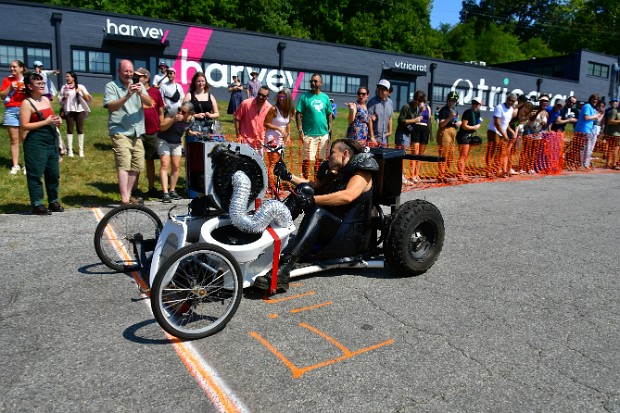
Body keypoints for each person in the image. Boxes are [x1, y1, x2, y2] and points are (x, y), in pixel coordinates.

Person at [253, 138, 379, 293]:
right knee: (301, 192)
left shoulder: (362, 171)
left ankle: (282, 272)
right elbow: (312, 186)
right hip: (332, 229)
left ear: (345, 153)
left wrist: (312, 200)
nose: (328, 157)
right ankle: (261, 238)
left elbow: (348, 196)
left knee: (317, 210)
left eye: (332, 153)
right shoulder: (337, 170)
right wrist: (288, 176)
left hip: (349, 236)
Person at [104, 59, 153, 205]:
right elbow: (111, 106)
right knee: (124, 163)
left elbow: (150, 102)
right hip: (119, 130)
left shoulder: (138, 85)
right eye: (125, 71)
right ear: (119, 72)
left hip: (136, 131)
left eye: (130, 71)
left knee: (137, 165)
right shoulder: (111, 86)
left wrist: (140, 93)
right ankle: (125, 198)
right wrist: (127, 96)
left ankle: (128, 194)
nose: (128, 74)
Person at [19, 73, 64, 215]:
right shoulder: (27, 103)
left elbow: (50, 117)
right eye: (38, 84)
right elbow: (24, 125)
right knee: (36, 174)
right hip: (35, 143)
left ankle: (53, 201)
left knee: (53, 173)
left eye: (42, 83)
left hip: (50, 141)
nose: (42, 85)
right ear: (29, 86)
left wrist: (57, 120)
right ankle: (37, 204)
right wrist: (45, 122)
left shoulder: (46, 99)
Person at [295, 73, 333, 179]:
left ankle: (317, 180)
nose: (312, 83)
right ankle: (305, 181)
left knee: (321, 160)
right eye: (311, 81)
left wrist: (330, 127)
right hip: (309, 134)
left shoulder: (325, 97)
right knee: (307, 160)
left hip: (323, 134)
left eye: (315, 81)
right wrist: (300, 130)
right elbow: (298, 113)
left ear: (321, 83)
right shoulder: (304, 97)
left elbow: (329, 113)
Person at [157, 101, 196, 203]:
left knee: (176, 166)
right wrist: (174, 119)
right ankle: (165, 193)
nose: (180, 112)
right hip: (163, 140)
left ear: (190, 114)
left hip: (176, 142)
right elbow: (162, 127)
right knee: (165, 164)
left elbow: (187, 129)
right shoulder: (173, 112)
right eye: (180, 109)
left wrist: (192, 132)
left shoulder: (191, 120)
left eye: (183, 112)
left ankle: (172, 190)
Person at [135, 67, 164, 199]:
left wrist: (161, 126)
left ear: (146, 78)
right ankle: (134, 189)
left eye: (139, 76)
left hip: (153, 130)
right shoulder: (133, 90)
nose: (136, 78)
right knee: (137, 161)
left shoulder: (155, 92)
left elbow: (160, 110)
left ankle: (151, 187)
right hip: (138, 130)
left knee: (150, 160)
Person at [264, 88, 295, 197]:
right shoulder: (274, 109)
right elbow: (266, 123)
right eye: (279, 96)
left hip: (281, 138)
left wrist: (288, 135)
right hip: (272, 138)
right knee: (272, 163)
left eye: (283, 97)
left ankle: (273, 187)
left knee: (277, 163)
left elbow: (288, 123)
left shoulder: (288, 110)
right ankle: (271, 188)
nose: (281, 99)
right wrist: (279, 129)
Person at [397, 90, 431, 183]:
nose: (416, 102)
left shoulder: (417, 108)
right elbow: (400, 120)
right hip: (402, 133)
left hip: (408, 133)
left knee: (407, 154)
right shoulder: (407, 107)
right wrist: (415, 120)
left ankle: (407, 175)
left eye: (419, 101)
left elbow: (427, 120)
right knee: (403, 154)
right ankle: (401, 176)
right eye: (415, 99)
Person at [1, 59, 28, 174]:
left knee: (25, 139)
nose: (12, 69)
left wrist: (26, 89)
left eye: (14, 67)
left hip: (24, 109)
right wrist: (10, 88)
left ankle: (27, 165)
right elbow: (2, 96)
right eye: (11, 67)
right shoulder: (7, 80)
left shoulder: (27, 80)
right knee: (14, 139)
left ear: (21, 68)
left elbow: (35, 93)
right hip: (11, 110)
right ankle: (15, 165)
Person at [59, 71, 92, 158]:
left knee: (80, 129)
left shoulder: (81, 86)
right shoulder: (64, 87)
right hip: (69, 110)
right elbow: (59, 100)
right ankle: (70, 150)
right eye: (66, 76)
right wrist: (64, 97)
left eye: (68, 76)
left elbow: (88, 99)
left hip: (79, 110)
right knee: (70, 129)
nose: (66, 78)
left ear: (73, 78)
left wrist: (80, 92)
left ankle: (81, 150)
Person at [234, 85, 272, 154]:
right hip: (245, 142)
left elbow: (269, 125)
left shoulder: (269, 108)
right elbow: (236, 118)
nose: (260, 97)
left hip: (260, 144)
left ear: (267, 97)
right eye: (259, 94)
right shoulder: (246, 103)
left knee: (258, 164)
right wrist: (238, 136)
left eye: (263, 96)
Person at [486, 93, 516, 177]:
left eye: (512, 101)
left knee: (502, 152)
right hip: (494, 131)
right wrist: (504, 135)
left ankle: (496, 170)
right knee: (492, 151)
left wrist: (509, 132)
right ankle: (488, 171)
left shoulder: (511, 110)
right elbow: (497, 123)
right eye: (509, 100)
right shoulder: (499, 107)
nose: (510, 102)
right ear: (506, 99)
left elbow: (505, 124)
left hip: (502, 133)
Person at [183, 71, 219, 137]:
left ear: (205, 82)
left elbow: (217, 114)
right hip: (193, 128)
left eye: (203, 81)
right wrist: (196, 115)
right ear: (194, 82)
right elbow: (183, 113)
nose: (201, 83)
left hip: (208, 127)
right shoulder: (189, 96)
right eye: (198, 81)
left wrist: (210, 115)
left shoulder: (210, 96)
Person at [436, 91, 461, 182]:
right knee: (444, 154)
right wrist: (449, 118)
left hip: (453, 131)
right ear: (447, 100)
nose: (452, 102)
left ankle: (445, 173)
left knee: (451, 154)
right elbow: (441, 124)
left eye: (454, 101)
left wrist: (458, 122)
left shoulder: (455, 110)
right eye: (451, 100)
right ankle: (440, 175)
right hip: (445, 131)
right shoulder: (444, 110)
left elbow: (457, 119)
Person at [521, 95, 550, 174]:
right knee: (526, 150)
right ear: (540, 102)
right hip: (530, 130)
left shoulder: (546, 113)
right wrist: (538, 111)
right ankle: (522, 167)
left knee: (534, 151)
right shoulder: (534, 109)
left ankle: (530, 167)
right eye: (543, 101)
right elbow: (531, 119)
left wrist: (544, 124)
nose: (544, 103)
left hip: (538, 132)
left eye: (546, 102)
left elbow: (546, 125)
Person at [455, 99, 482, 180]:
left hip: (469, 135)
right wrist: (474, 127)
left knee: (465, 155)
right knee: (463, 156)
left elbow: (478, 122)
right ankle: (460, 175)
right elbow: (464, 126)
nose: (475, 105)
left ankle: (461, 173)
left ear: (480, 104)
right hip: (463, 135)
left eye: (477, 104)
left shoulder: (478, 113)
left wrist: (478, 126)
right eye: (473, 103)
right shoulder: (467, 112)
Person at [575, 94, 602, 169]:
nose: (595, 100)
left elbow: (595, 120)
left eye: (596, 99)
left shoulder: (592, 108)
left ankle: (582, 164)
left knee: (585, 148)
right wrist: (595, 116)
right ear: (590, 99)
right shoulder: (587, 106)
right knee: (582, 148)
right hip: (583, 129)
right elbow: (586, 117)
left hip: (588, 130)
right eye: (594, 99)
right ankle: (580, 164)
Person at [367, 79, 393, 148]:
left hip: (384, 139)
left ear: (388, 92)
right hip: (373, 139)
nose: (380, 91)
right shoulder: (372, 102)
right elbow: (369, 120)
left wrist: (390, 131)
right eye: (379, 88)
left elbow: (390, 117)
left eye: (383, 89)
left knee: (383, 158)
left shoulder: (390, 102)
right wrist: (372, 137)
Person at [604, 98, 620, 170]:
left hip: (618, 133)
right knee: (611, 149)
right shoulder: (614, 111)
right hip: (612, 133)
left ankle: (614, 164)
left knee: (616, 149)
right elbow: (610, 121)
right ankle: (608, 163)